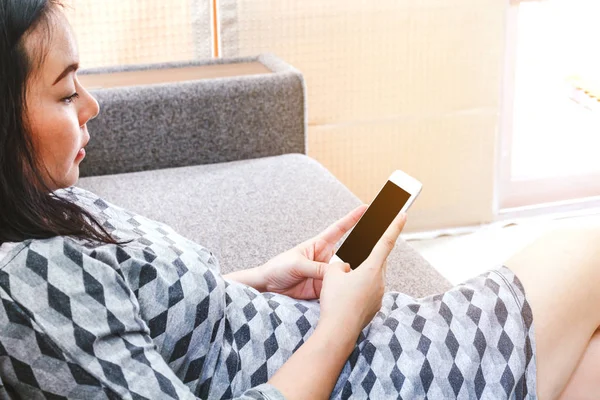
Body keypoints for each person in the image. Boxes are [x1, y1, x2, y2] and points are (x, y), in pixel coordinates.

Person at [0, 1, 598, 399]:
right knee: (587, 253)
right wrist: (342, 320)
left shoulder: (43, 203)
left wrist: (257, 280)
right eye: (63, 93)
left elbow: (129, 316)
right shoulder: (26, 284)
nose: (91, 106)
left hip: (329, 348)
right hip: (360, 378)